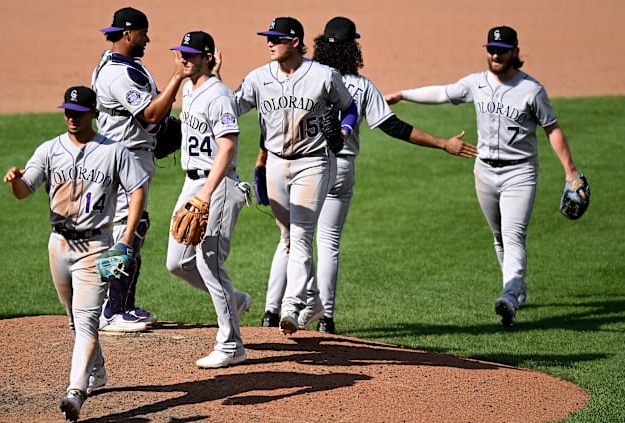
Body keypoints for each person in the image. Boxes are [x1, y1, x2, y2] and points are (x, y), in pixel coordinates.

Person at [274, 16, 477, 334]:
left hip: (305, 165)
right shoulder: (362, 86)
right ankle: (325, 319)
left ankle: (276, 309)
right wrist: (443, 143)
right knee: (328, 243)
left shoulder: (306, 77)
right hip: (341, 168)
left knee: (293, 238)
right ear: (353, 48)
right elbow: (393, 127)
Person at [385, 26, 584, 326]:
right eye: (491, 49)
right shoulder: (476, 83)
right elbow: (443, 92)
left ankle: (509, 296)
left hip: (520, 172)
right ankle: (516, 287)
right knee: (498, 236)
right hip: (485, 170)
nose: (495, 54)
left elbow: (552, 129)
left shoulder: (532, 90)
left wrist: (571, 173)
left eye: (501, 50)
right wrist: (403, 95)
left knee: (513, 235)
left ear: (515, 52)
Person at [3, 86, 148, 421]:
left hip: (95, 247)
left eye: (78, 112)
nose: (71, 117)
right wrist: (14, 180)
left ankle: (75, 392)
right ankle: (96, 370)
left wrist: (125, 240)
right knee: (73, 319)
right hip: (58, 245)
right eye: (67, 111)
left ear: (93, 114)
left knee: (86, 323)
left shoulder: (114, 152)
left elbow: (138, 190)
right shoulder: (50, 150)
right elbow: (25, 191)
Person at [233, 16, 358, 335]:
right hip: (276, 162)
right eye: (268, 38)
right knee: (288, 237)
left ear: (295, 42)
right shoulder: (259, 78)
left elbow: (350, 107)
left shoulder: (323, 76)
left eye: (276, 38)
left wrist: (343, 130)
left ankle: (291, 306)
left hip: (314, 164)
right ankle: (314, 299)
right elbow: (232, 107)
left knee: (301, 233)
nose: (269, 43)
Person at [91, 7, 185, 332]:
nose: (148, 39)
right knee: (127, 228)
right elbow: (149, 115)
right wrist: (178, 78)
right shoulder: (118, 75)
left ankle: (120, 306)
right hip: (124, 159)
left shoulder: (126, 65)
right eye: (144, 33)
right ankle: (112, 311)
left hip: (131, 155)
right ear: (129, 33)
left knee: (134, 225)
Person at [165, 31, 252, 368]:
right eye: (180, 53)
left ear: (207, 57)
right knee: (177, 262)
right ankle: (236, 301)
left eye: (191, 54)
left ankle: (231, 344)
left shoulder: (219, 95)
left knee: (209, 262)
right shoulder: (189, 89)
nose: (183, 58)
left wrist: (205, 193)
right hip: (193, 184)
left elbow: (227, 147)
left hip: (218, 185)